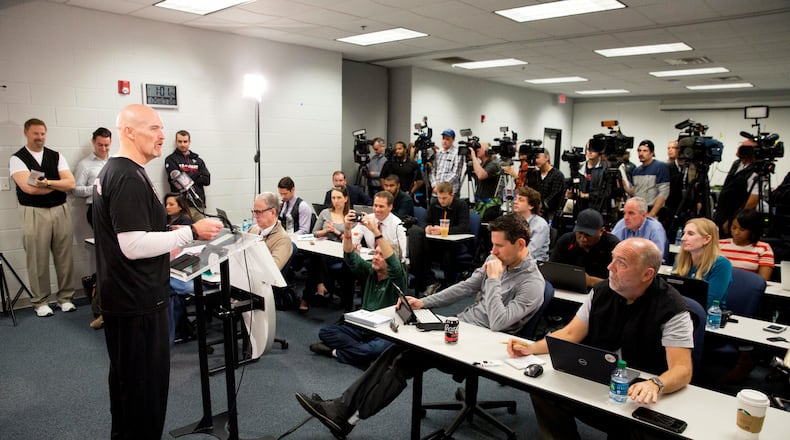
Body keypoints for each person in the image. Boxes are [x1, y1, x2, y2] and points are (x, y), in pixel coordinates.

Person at [294, 214, 545, 439]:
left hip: (485, 348)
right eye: (492, 244)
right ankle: (341, 409)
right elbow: (465, 288)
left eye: (499, 246)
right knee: (395, 350)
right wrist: (424, 301)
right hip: (461, 329)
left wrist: (493, 280)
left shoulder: (532, 284)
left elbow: (498, 322)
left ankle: (345, 416)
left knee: (404, 361)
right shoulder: (497, 259)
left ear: (520, 244)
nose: (493, 251)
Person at [93, 104, 222, 439]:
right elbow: (132, 245)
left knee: (129, 392)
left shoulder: (122, 172)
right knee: (142, 396)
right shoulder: (125, 176)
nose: (162, 135)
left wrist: (170, 238)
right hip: (136, 303)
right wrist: (191, 232)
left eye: (161, 128)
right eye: (153, 128)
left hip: (130, 299)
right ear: (128, 131)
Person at [508, 238, 693, 439]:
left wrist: (655, 383)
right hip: (598, 378)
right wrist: (531, 348)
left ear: (647, 274)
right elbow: (570, 334)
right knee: (544, 392)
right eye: (613, 259)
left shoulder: (672, 308)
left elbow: (682, 370)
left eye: (621, 263)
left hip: (639, 393)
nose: (610, 267)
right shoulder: (602, 291)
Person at [310, 209, 408, 367]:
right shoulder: (370, 270)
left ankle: (335, 352)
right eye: (375, 253)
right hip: (363, 326)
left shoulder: (398, 277)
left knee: (377, 348)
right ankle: (364, 356)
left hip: (386, 330)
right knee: (326, 332)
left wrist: (375, 231)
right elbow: (349, 256)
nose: (375, 257)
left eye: (380, 255)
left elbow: (394, 263)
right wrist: (348, 229)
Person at [9, 118, 77, 317]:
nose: (40, 137)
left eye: (42, 133)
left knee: (64, 256)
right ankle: (41, 301)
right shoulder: (17, 158)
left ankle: (66, 298)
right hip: (33, 212)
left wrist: (46, 183)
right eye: (35, 134)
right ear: (26, 133)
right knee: (37, 257)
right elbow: (28, 189)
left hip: (60, 209)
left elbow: (71, 183)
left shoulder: (56, 156)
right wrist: (57, 184)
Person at [411, 181, 470, 295]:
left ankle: (449, 285)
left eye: (444, 198)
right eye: (439, 198)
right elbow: (425, 221)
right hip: (436, 242)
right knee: (421, 248)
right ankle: (428, 281)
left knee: (447, 252)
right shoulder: (434, 204)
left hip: (455, 243)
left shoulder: (461, 205)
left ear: (452, 195)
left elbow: (464, 227)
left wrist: (445, 231)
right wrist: (427, 228)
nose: (441, 201)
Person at [304, 186, 354, 312]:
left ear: (346, 198)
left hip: (341, 252)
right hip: (324, 249)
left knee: (316, 261)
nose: (335, 201)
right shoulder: (325, 213)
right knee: (316, 256)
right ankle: (322, 286)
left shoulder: (351, 216)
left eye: (339, 198)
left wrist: (336, 232)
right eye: (333, 198)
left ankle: (310, 295)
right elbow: (315, 233)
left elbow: (353, 240)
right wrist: (326, 230)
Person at [672, 217, 733, 309]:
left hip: (707, 317)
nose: (683, 238)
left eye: (690, 234)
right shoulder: (680, 260)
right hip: (678, 312)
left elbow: (708, 303)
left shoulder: (722, 264)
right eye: (684, 233)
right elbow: (670, 294)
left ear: (707, 239)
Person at [550, 209, 619, 288]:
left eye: (588, 235)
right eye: (580, 233)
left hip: (600, 293)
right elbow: (551, 270)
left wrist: (591, 281)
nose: (583, 239)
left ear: (601, 231)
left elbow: (619, 284)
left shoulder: (613, 247)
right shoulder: (566, 241)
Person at [713, 137, 767, 236]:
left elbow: (752, 202)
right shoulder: (737, 163)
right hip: (722, 213)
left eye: (745, 148)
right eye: (741, 146)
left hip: (736, 218)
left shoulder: (757, 170)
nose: (739, 149)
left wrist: (734, 221)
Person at [351, 191, 408, 263]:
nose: (377, 209)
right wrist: (354, 244)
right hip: (371, 260)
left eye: (381, 206)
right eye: (375, 205)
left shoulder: (398, 225)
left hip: (390, 263)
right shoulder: (367, 219)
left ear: (390, 207)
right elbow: (353, 238)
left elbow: (403, 254)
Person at [719, 208, 775, 281]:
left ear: (752, 230)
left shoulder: (764, 248)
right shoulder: (719, 244)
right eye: (734, 228)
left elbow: (763, 280)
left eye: (742, 229)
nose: (736, 232)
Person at [72, 127, 112, 227]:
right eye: (100, 145)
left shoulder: (116, 161)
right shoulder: (84, 164)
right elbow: (76, 190)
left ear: (111, 142)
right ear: (93, 142)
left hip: (118, 207)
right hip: (97, 209)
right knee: (105, 242)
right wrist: (96, 188)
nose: (103, 149)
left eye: (106, 145)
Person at [247, 192, 295, 271]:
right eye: (254, 212)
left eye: (259, 212)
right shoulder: (253, 229)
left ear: (273, 212)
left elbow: (271, 271)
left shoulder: (283, 240)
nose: (255, 216)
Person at [623, 140, 670, 219]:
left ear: (651, 153)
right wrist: (625, 187)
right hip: (638, 212)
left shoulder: (660, 167)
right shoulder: (636, 171)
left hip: (653, 211)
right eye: (639, 150)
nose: (641, 153)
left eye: (645, 151)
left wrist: (652, 214)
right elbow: (637, 191)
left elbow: (663, 193)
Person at [611, 197, 668, 262]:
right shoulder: (622, 223)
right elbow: (611, 248)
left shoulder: (655, 228)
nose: (626, 217)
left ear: (643, 215)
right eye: (624, 213)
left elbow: (656, 258)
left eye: (631, 213)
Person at [164, 129, 211, 209]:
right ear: (176, 142)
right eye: (180, 141)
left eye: (185, 141)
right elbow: (181, 182)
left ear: (189, 142)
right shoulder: (171, 159)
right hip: (181, 206)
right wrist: (198, 174)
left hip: (198, 204)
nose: (182, 144)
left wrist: (186, 176)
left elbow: (207, 181)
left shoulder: (198, 160)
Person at [513, 186, 550, 261]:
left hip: (534, 264)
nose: (515, 202)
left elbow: (531, 252)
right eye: (516, 199)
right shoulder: (513, 221)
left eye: (521, 200)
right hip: (514, 260)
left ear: (531, 206)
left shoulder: (540, 225)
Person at [531, 149, 565, 223]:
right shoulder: (535, 174)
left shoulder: (557, 175)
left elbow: (554, 195)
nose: (536, 160)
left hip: (550, 213)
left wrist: (541, 206)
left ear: (546, 158)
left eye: (538, 157)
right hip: (535, 212)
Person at [429, 129, 463, 196]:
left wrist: (441, 186)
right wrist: (434, 185)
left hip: (450, 192)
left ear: (453, 140)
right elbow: (432, 171)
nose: (444, 141)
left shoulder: (457, 153)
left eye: (447, 139)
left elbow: (455, 174)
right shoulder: (438, 153)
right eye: (443, 139)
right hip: (436, 192)